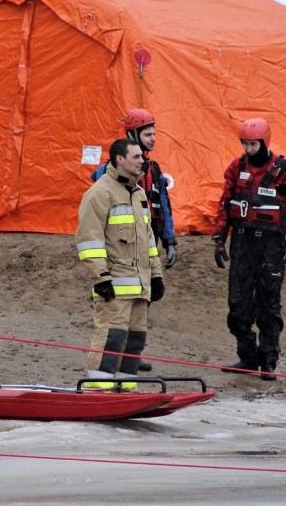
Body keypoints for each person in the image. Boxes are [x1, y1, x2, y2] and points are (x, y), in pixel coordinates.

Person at [212, 117, 286, 381]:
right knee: (238, 306)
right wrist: (220, 239)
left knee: (268, 305)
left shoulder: (285, 170)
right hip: (242, 242)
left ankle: (269, 361)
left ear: (264, 142)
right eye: (245, 144)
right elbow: (225, 203)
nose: (249, 149)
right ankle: (248, 357)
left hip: (271, 245)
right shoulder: (236, 167)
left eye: (253, 144)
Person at [91, 108, 176, 371]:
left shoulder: (153, 170)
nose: (153, 139)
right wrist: (101, 275)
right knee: (115, 317)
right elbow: (95, 226)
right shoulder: (105, 177)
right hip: (119, 254)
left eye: (154, 134)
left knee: (140, 308)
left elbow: (163, 203)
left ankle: (130, 361)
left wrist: (170, 240)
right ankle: (106, 373)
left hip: (144, 242)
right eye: (147, 134)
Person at [76, 138, 165, 389]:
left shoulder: (138, 194)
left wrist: (156, 276)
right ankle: (98, 387)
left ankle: (126, 388)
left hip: (140, 286)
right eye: (136, 157)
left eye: (142, 157)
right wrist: (101, 278)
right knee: (110, 337)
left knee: (135, 339)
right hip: (114, 285)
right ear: (119, 159)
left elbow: (148, 241)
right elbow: (88, 241)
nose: (142, 161)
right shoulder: (99, 193)